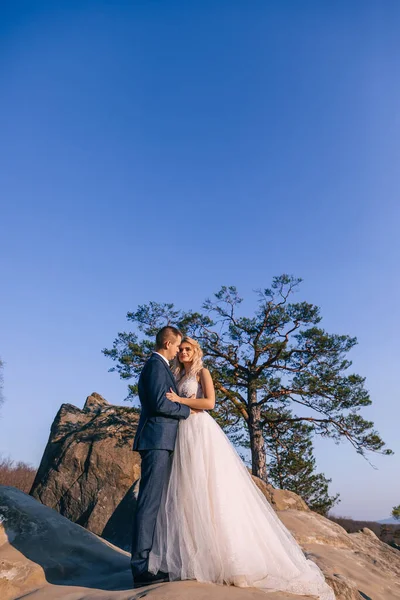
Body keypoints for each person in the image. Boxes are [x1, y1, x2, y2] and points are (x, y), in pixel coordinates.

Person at [148, 336, 335, 599]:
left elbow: (210, 403)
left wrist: (181, 401)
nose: (183, 352)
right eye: (181, 349)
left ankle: (226, 559)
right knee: (185, 494)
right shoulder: (176, 373)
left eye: (188, 349)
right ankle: (189, 557)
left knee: (208, 489)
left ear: (196, 351)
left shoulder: (203, 372)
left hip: (199, 431)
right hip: (181, 433)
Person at [130, 326, 192, 587]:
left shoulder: (161, 366)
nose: (179, 350)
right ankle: (141, 567)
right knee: (149, 502)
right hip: (156, 441)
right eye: (178, 346)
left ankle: (149, 561)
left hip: (161, 441)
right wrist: (186, 410)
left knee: (155, 502)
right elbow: (159, 403)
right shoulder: (156, 366)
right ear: (168, 343)